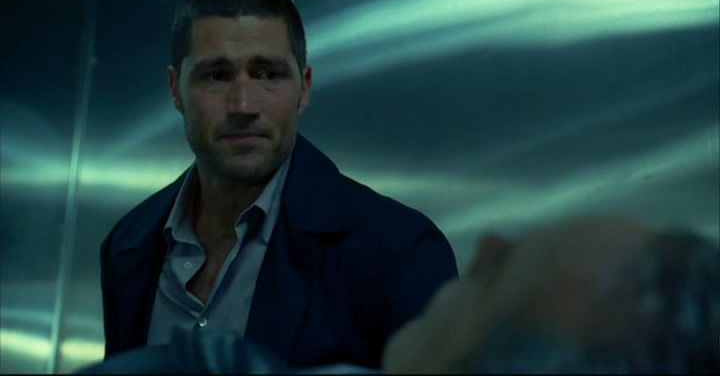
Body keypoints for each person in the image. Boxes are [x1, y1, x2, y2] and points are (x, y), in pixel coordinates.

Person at [99, 0, 457, 369]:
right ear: (175, 89)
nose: (243, 105)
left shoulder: (398, 253)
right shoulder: (128, 247)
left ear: (304, 88)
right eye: (216, 75)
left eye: (268, 74)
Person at [83, 215, 719, 374]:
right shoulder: (133, 237)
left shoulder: (394, 241)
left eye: (502, 272)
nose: (486, 244)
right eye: (215, 74)